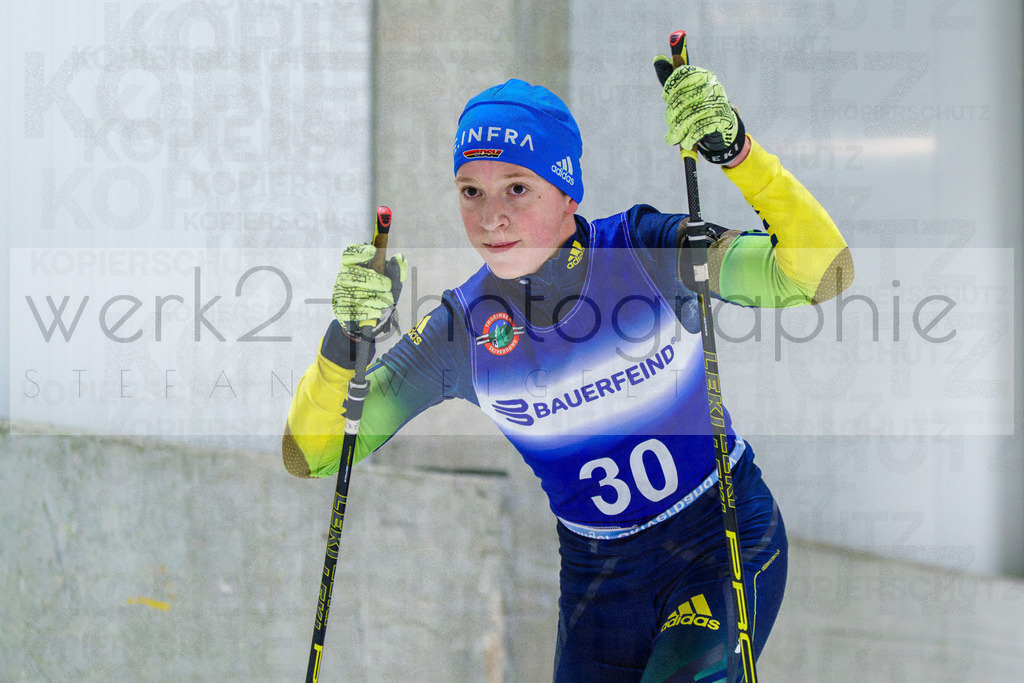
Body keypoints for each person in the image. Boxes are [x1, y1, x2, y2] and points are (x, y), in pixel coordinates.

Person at [283, 52, 853, 682]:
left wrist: (740, 155)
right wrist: (343, 342)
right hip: (599, 582)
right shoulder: (461, 332)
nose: (490, 217)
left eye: (517, 189)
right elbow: (313, 455)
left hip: (719, 539)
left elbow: (820, 272)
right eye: (471, 192)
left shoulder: (646, 250)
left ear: (568, 191)